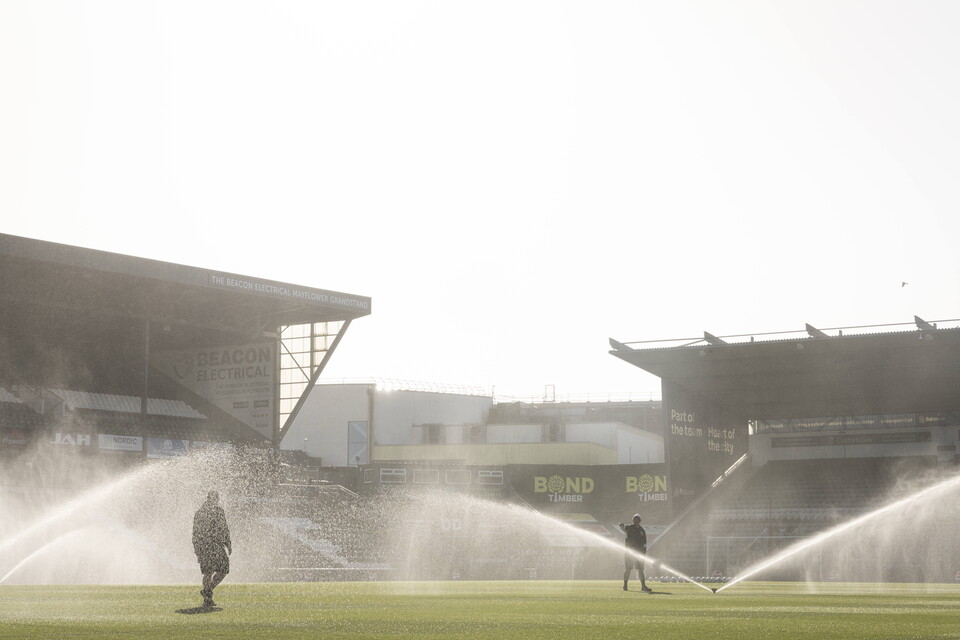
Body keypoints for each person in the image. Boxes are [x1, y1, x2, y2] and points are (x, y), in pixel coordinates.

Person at [193, 490, 232, 608]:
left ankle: (207, 590)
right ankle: (208, 597)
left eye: (217, 498)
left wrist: (228, 543)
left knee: (223, 570)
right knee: (208, 572)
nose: (216, 500)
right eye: (214, 498)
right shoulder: (200, 513)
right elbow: (195, 532)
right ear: (209, 498)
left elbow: (224, 528)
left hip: (217, 545)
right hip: (205, 546)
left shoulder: (220, 511)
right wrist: (197, 548)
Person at [618, 514, 651, 593]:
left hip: (639, 553)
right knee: (628, 569)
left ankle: (643, 586)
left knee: (640, 569)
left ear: (639, 521)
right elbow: (623, 529)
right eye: (634, 519)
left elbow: (645, 543)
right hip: (629, 552)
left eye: (637, 519)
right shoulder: (629, 528)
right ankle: (625, 585)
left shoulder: (642, 530)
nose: (635, 521)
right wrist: (621, 526)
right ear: (633, 520)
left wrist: (643, 552)